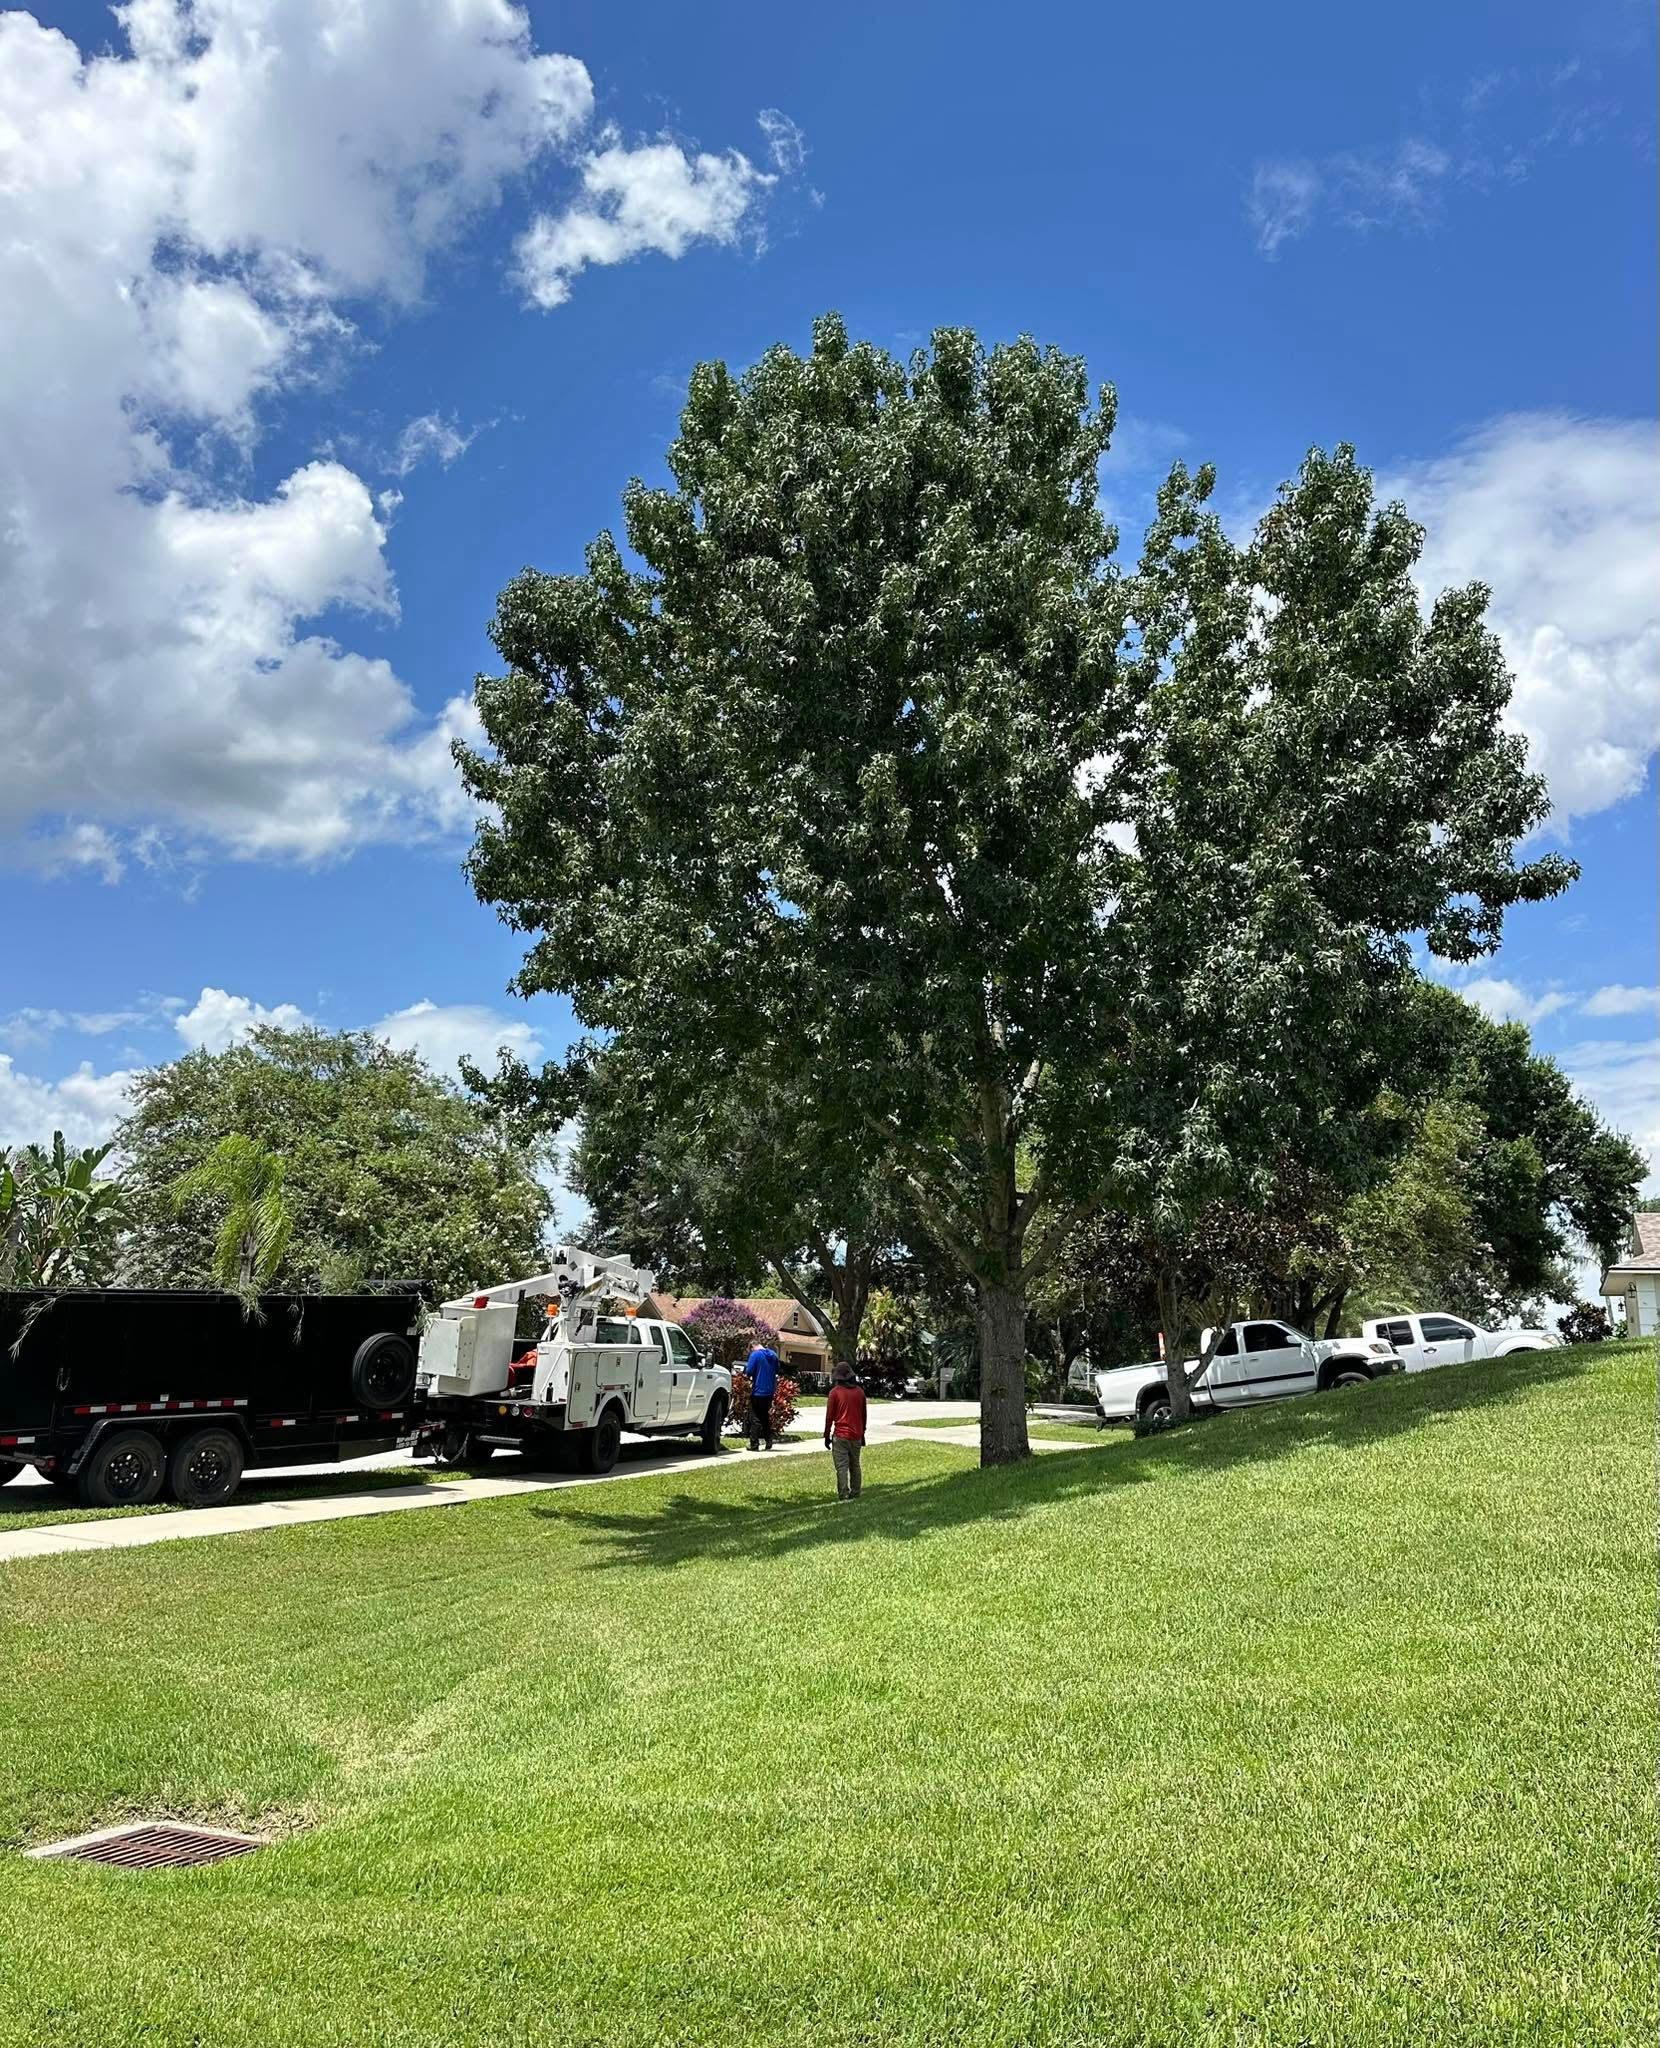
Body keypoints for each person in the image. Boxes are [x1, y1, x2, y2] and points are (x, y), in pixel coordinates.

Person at [823, 1360, 868, 1500]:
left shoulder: (834, 1393)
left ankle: (843, 1493)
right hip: (856, 1435)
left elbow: (829, 1417)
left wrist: (826, 1435)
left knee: (842, 1466)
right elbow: (863, 1416)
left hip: (841, 1435)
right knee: (855, 1465)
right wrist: (862, 1433)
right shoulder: (860, 1392)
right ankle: (856, 1492)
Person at [744, 1336, 781, 1450]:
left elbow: (749, 1371)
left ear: (752, 1347)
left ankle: (754, 1444)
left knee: (755, 1417)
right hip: (770, 1391)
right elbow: (777, 1370)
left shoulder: (755, 1355)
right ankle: (768, 1440)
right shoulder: (774, 1355)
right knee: (765, 1416)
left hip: (758, 1390)